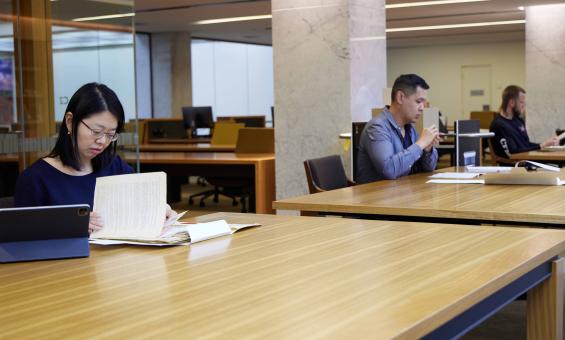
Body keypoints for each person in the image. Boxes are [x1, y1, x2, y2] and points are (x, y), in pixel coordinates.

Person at [14, 83, 175, 233]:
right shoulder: (35, 179)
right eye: (96, 131)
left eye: (110, 134)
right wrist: (69, 225)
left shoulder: (115, 167)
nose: (102, 141)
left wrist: (159, 209)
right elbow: (21, 237)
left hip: (118, 260)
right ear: (70, 122)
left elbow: (142, 203)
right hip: (68, 262)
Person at [356, 74, 440, 184]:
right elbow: (389, 170)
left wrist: (427, 150)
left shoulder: (410, 129)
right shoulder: (377, 127)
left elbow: (428, 168)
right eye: (419, 101)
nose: (422, 108)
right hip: (375, 198)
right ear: (400, 97)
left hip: (401, 194)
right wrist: (420, 144)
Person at [490, 85, 558, 158]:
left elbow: (526, 145)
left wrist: (545, 144)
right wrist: (541, 146)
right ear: (512, 102)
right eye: (521, 102)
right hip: (515, 165)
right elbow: (512, 153)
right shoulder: (499, 125)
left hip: (526, 160)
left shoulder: (518, 120)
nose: (524, 105)